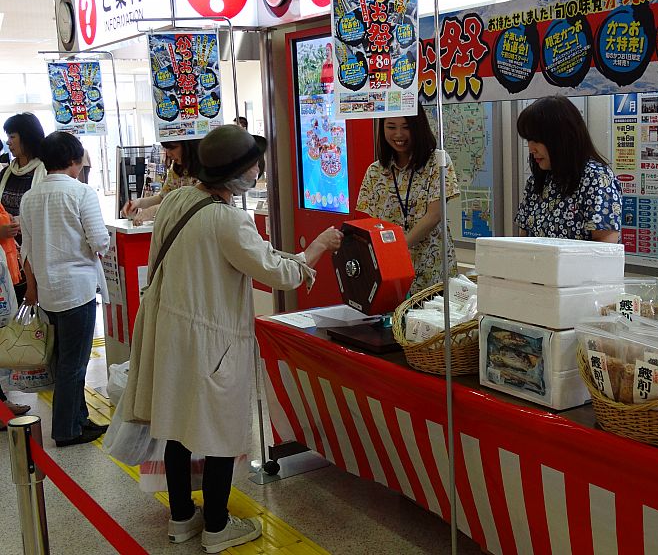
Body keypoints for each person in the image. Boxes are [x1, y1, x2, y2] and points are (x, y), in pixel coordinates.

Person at [122, 125, 342, 552]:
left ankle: (182, 517)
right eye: (255, 165)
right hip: (213, 341)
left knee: (177, 427)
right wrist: (317, 247)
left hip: (172, 334)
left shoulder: (178, 199)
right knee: (220, 431)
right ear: (238, 174)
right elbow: (276, 272)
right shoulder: (228, 219)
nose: (259, 170)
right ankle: (218, 527)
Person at [19, 131, 110, 446]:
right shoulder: (82, 193)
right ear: (74, 159)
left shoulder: (31, 197)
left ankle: (79, 420)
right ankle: (66, 430)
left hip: (47, 290)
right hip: (78, 289)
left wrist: (32, 286)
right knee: (75, 362)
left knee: (62, 359)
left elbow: (25, 250)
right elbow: (99, 241)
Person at [356, 106, 459, 294]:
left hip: (432, 269)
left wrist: (398, 248)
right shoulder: (375, 171)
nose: (398, 134)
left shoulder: (437, 162)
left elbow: (435, 214)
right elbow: (372, 224)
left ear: (418, 127)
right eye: (391, 127)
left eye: (406, 127)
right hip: (391, 271)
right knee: (394, 321)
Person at [515, 95, 622, 242]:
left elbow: (604, 248)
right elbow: (522, 239)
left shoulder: (597, 179)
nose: (531, 148)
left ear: (561, 138)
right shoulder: (536, 181)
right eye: (528, 140)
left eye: (537, 140)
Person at [1, 113, 46, 303]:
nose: (8, 142)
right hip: (8, 258)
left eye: (12, 136)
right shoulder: (5, 173)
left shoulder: (46, 171)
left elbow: (48, 211)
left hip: (38, 256)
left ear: (26, 137)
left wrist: (21, 221)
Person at [121, 139, 201, 225]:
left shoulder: (204, 170)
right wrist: (138, 203)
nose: (168, 154)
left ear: (188, 146)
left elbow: (190, 203)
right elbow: (163, 198)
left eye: (172, 148)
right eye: (166, 149)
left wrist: (153, 211)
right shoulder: (176, 168)